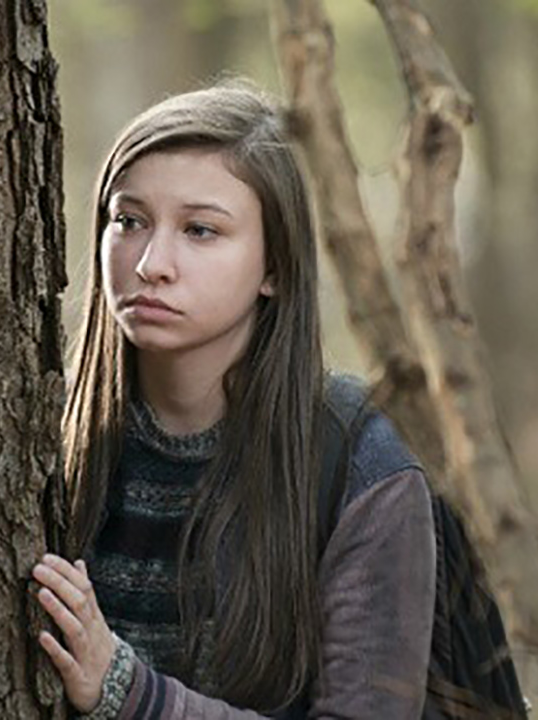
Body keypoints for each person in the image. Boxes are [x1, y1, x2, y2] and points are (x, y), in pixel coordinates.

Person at [32, 83, 435, 718]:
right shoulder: (39, 435)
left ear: (274, 266)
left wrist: (129, 693)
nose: (151, 264)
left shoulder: (360, 463)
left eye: (200, 230)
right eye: (129, 221)